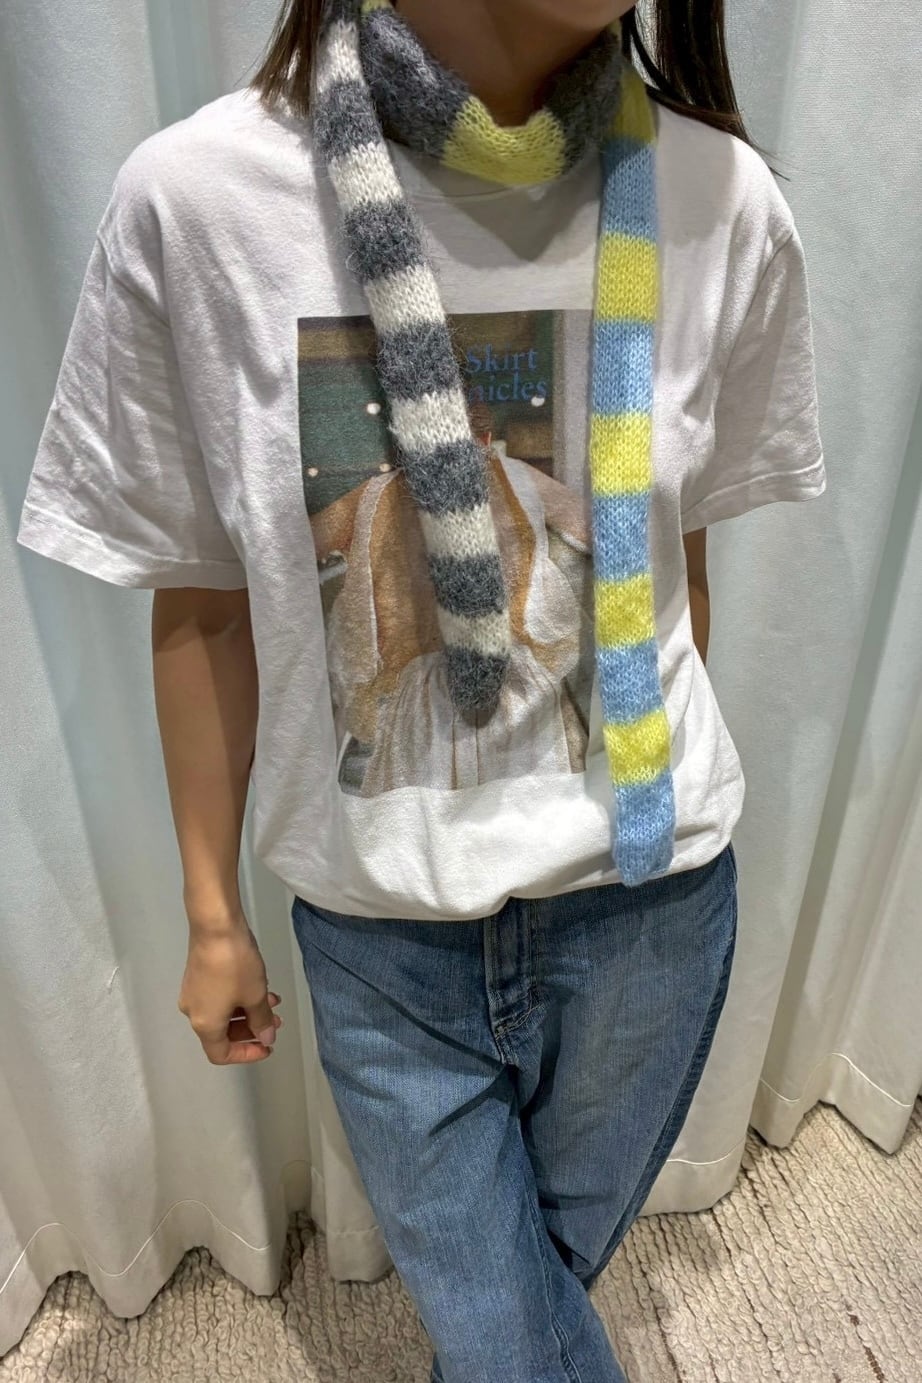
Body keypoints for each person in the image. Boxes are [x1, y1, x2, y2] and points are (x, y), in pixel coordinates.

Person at [17, 0, 826, 1378]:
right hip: (380, 936)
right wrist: (211, 915)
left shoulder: (721, 202)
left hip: (651, 911)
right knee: (509, 1336)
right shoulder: (199, 205)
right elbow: (203, 600)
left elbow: (673, 571)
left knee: (519, 1314)